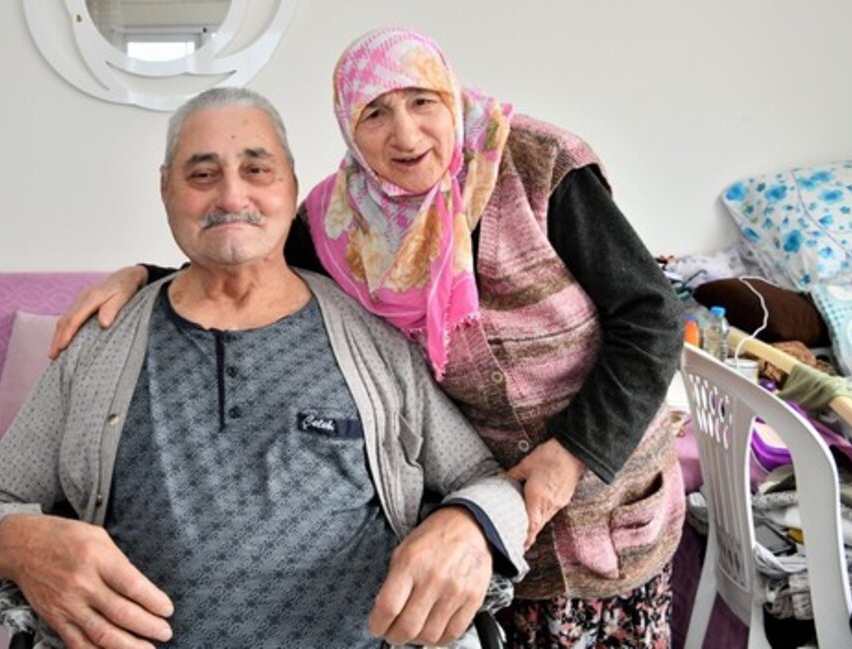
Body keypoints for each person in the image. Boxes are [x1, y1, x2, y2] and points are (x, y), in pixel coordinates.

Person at [51, 28, 686, 648]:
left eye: (422, 101)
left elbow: (651, 315)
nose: (405, 134)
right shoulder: (340, 219)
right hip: (481, 517)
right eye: (375, 113)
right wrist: (149, 279)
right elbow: (246, 259)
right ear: (348, 127)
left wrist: (570, 455)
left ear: (451, 97)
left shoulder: (536, 164)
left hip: (605, 502)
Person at [0, 86, 531, 649]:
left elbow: (487, 480)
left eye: (256, 170)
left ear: (291, 184)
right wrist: (15, 542)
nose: (231, 196)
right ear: (165, 189)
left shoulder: (373, 339)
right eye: (202, 175)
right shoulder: (101, 340)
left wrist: (470, 526)